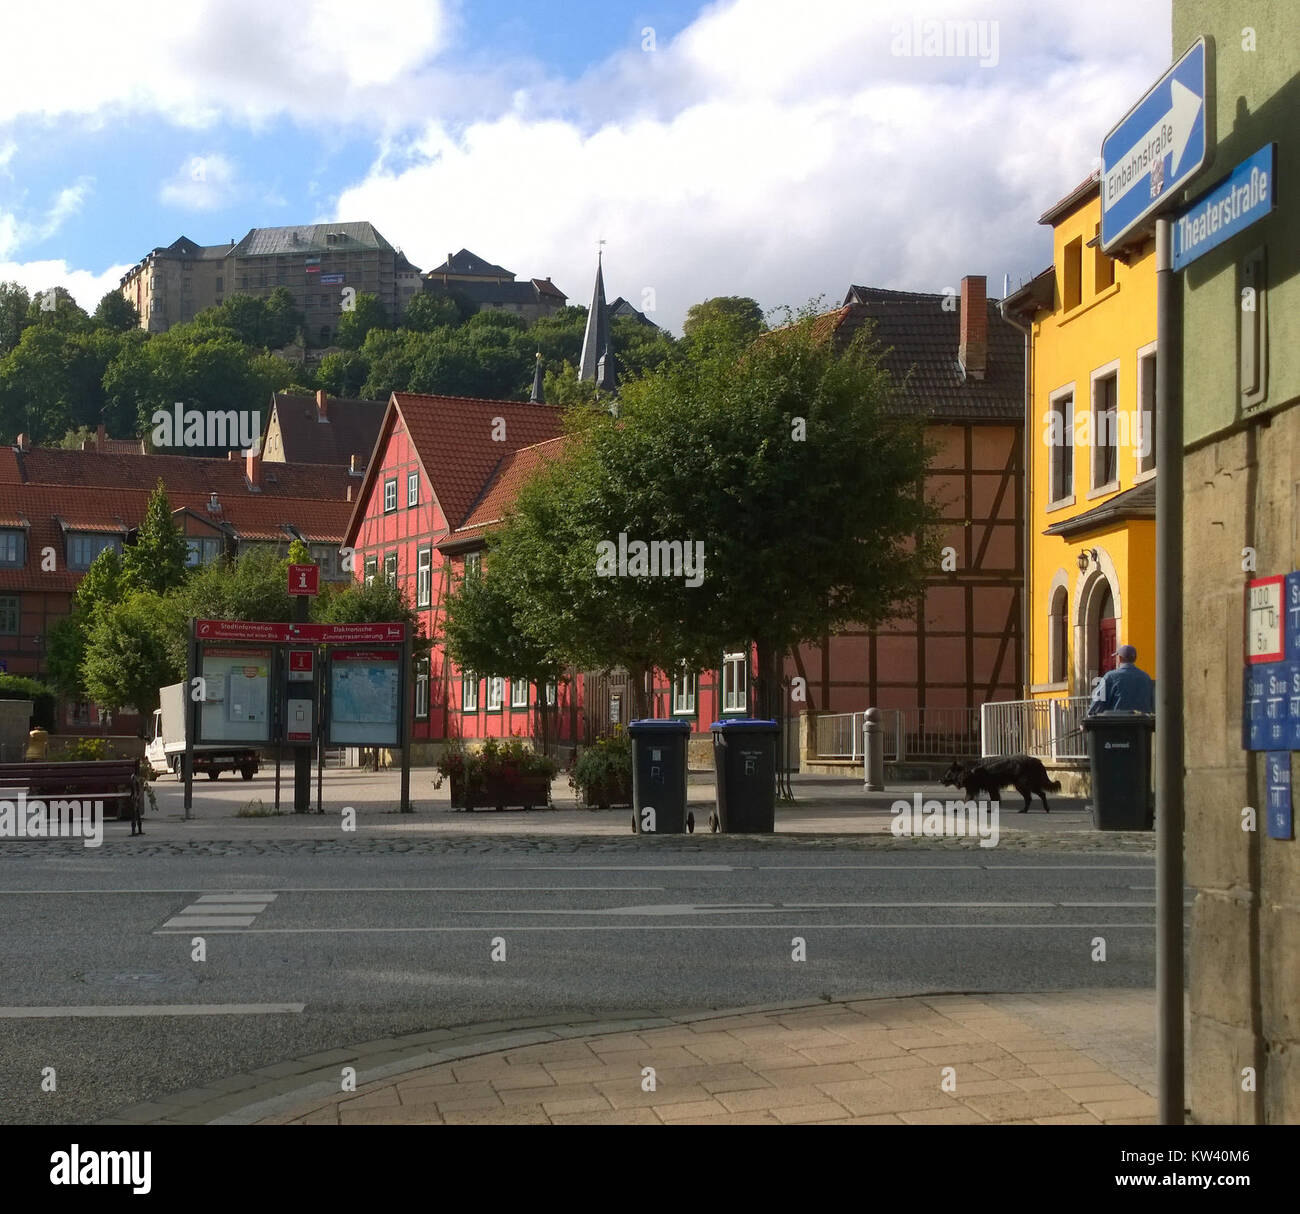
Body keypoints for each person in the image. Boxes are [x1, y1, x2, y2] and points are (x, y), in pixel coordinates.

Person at [1087, 644, 1155, 715]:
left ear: (1119, 658)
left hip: (1118, 722)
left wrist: (1090, 715)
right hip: (1142, 722)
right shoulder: (1145, 677)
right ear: (1135, 659)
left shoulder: (1111, 676)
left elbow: (1098, 700)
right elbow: (1152, 702)